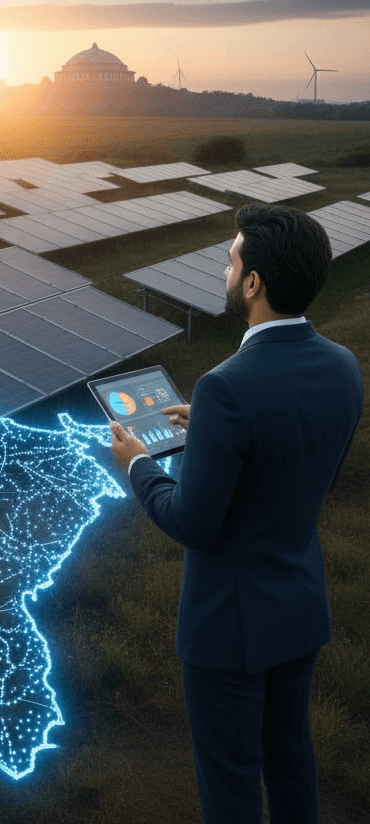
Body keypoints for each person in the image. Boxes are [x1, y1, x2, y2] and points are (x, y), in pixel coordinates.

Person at [109, 203, 363, 824]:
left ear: (253, 283)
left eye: (231, 260)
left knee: (230, 785)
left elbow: (193, 522)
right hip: (299, 609)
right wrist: (214, 430)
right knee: (291, 759)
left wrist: (139, 465)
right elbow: (297, 467)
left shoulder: (228, 385)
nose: (224, 271)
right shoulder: (343, 366)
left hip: (228, 630)